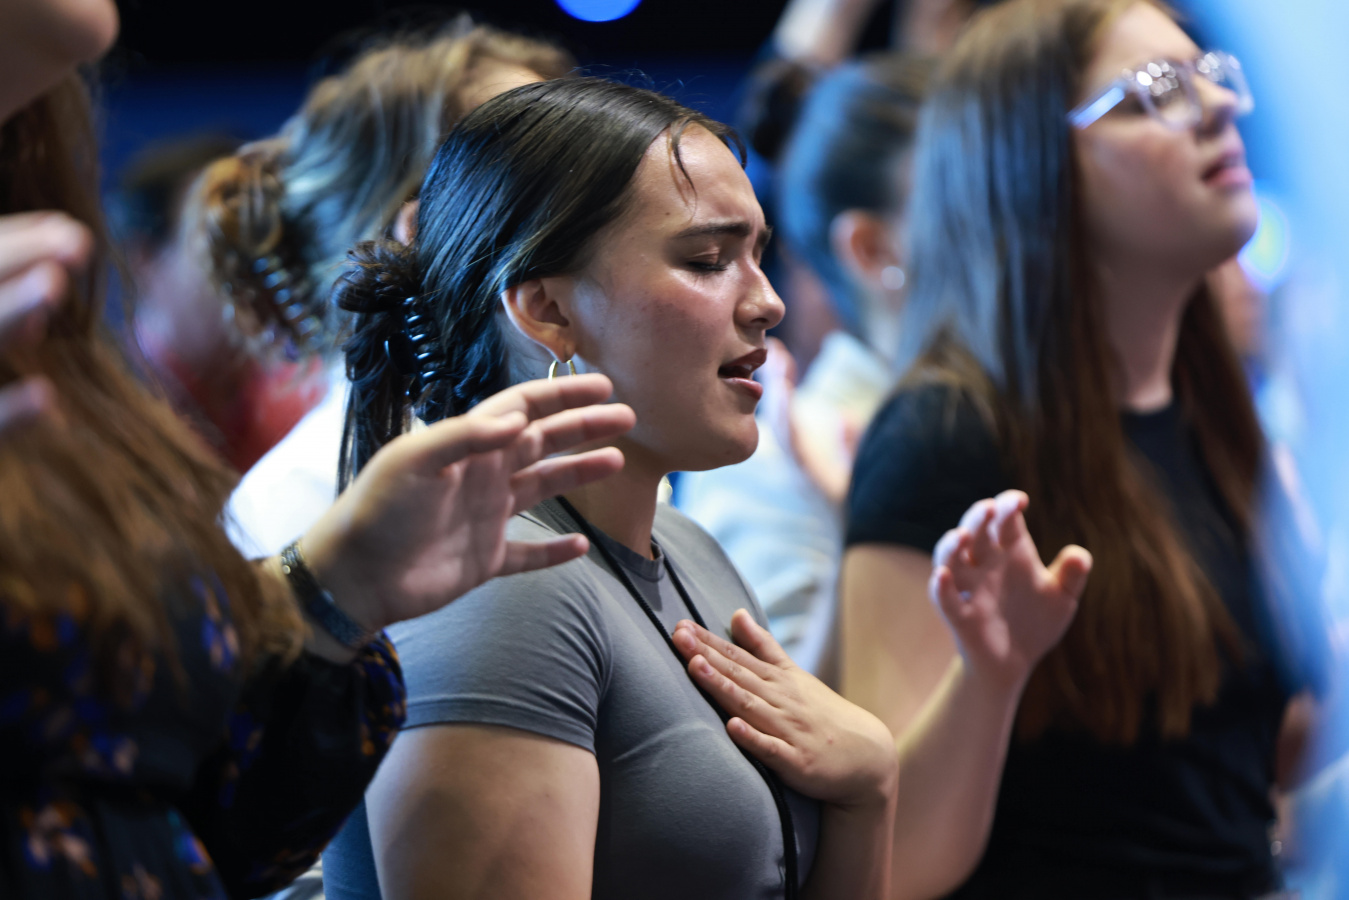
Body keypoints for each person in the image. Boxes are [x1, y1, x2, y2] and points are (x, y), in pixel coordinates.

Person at [0, 3, 635, 897]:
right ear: (430, 230)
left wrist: (329, 594)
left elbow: (174, 800)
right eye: (545, 179)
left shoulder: (418, 495)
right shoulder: (310, 486)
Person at [322, 77, 901, 900]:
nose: (767, 302)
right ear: (548, 311)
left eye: (757, 256)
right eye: (707, 261)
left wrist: (868, 789)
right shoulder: (502, 584)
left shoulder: (690, 552)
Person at [839, 0, 1306, 896]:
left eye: (1210, 75)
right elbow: (889, 862)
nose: (1218, 105)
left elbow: (1232, 765)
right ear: (1029, 161)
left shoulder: (1219, 420)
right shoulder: (945, 435)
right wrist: (988, 679)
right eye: (1156, 89)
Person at [164, 20, 572, 549]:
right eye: (543, 175)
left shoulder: (578, 433)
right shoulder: (303, 505)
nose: (596, 200)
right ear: (424, 228)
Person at [678, 54, 927, 674]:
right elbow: (770, 717)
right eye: (707, 261)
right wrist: (865, 532)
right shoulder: (766, 462)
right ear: (874, 250)